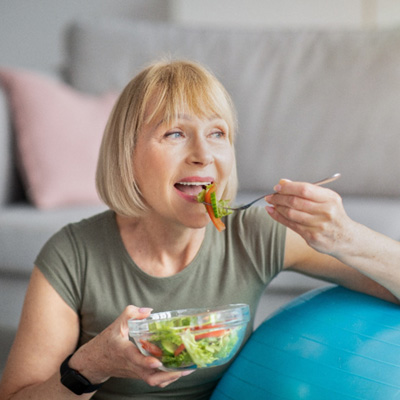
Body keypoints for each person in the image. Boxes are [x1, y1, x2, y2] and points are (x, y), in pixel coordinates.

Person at [0, 59, 399, 400]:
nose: (204, 155)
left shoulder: (253, 232)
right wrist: (91, 364)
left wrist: (347, 237)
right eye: (175, 133)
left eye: (217, 133)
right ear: (127, 155)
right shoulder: (73, 254)